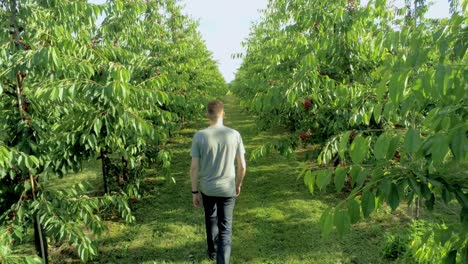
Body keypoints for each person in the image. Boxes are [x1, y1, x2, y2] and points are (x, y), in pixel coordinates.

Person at [190, 100, 246, 264]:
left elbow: (194, 168)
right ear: (223, 114)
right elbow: (242, 166)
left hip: (207, 188)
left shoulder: (200, 136)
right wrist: (238, 184)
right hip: (227, 188)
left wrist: (194, 192)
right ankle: (222, 260)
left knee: (211, 218)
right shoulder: (234, 135)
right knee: (225, 229)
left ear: (207, 114)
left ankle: (213, 252)